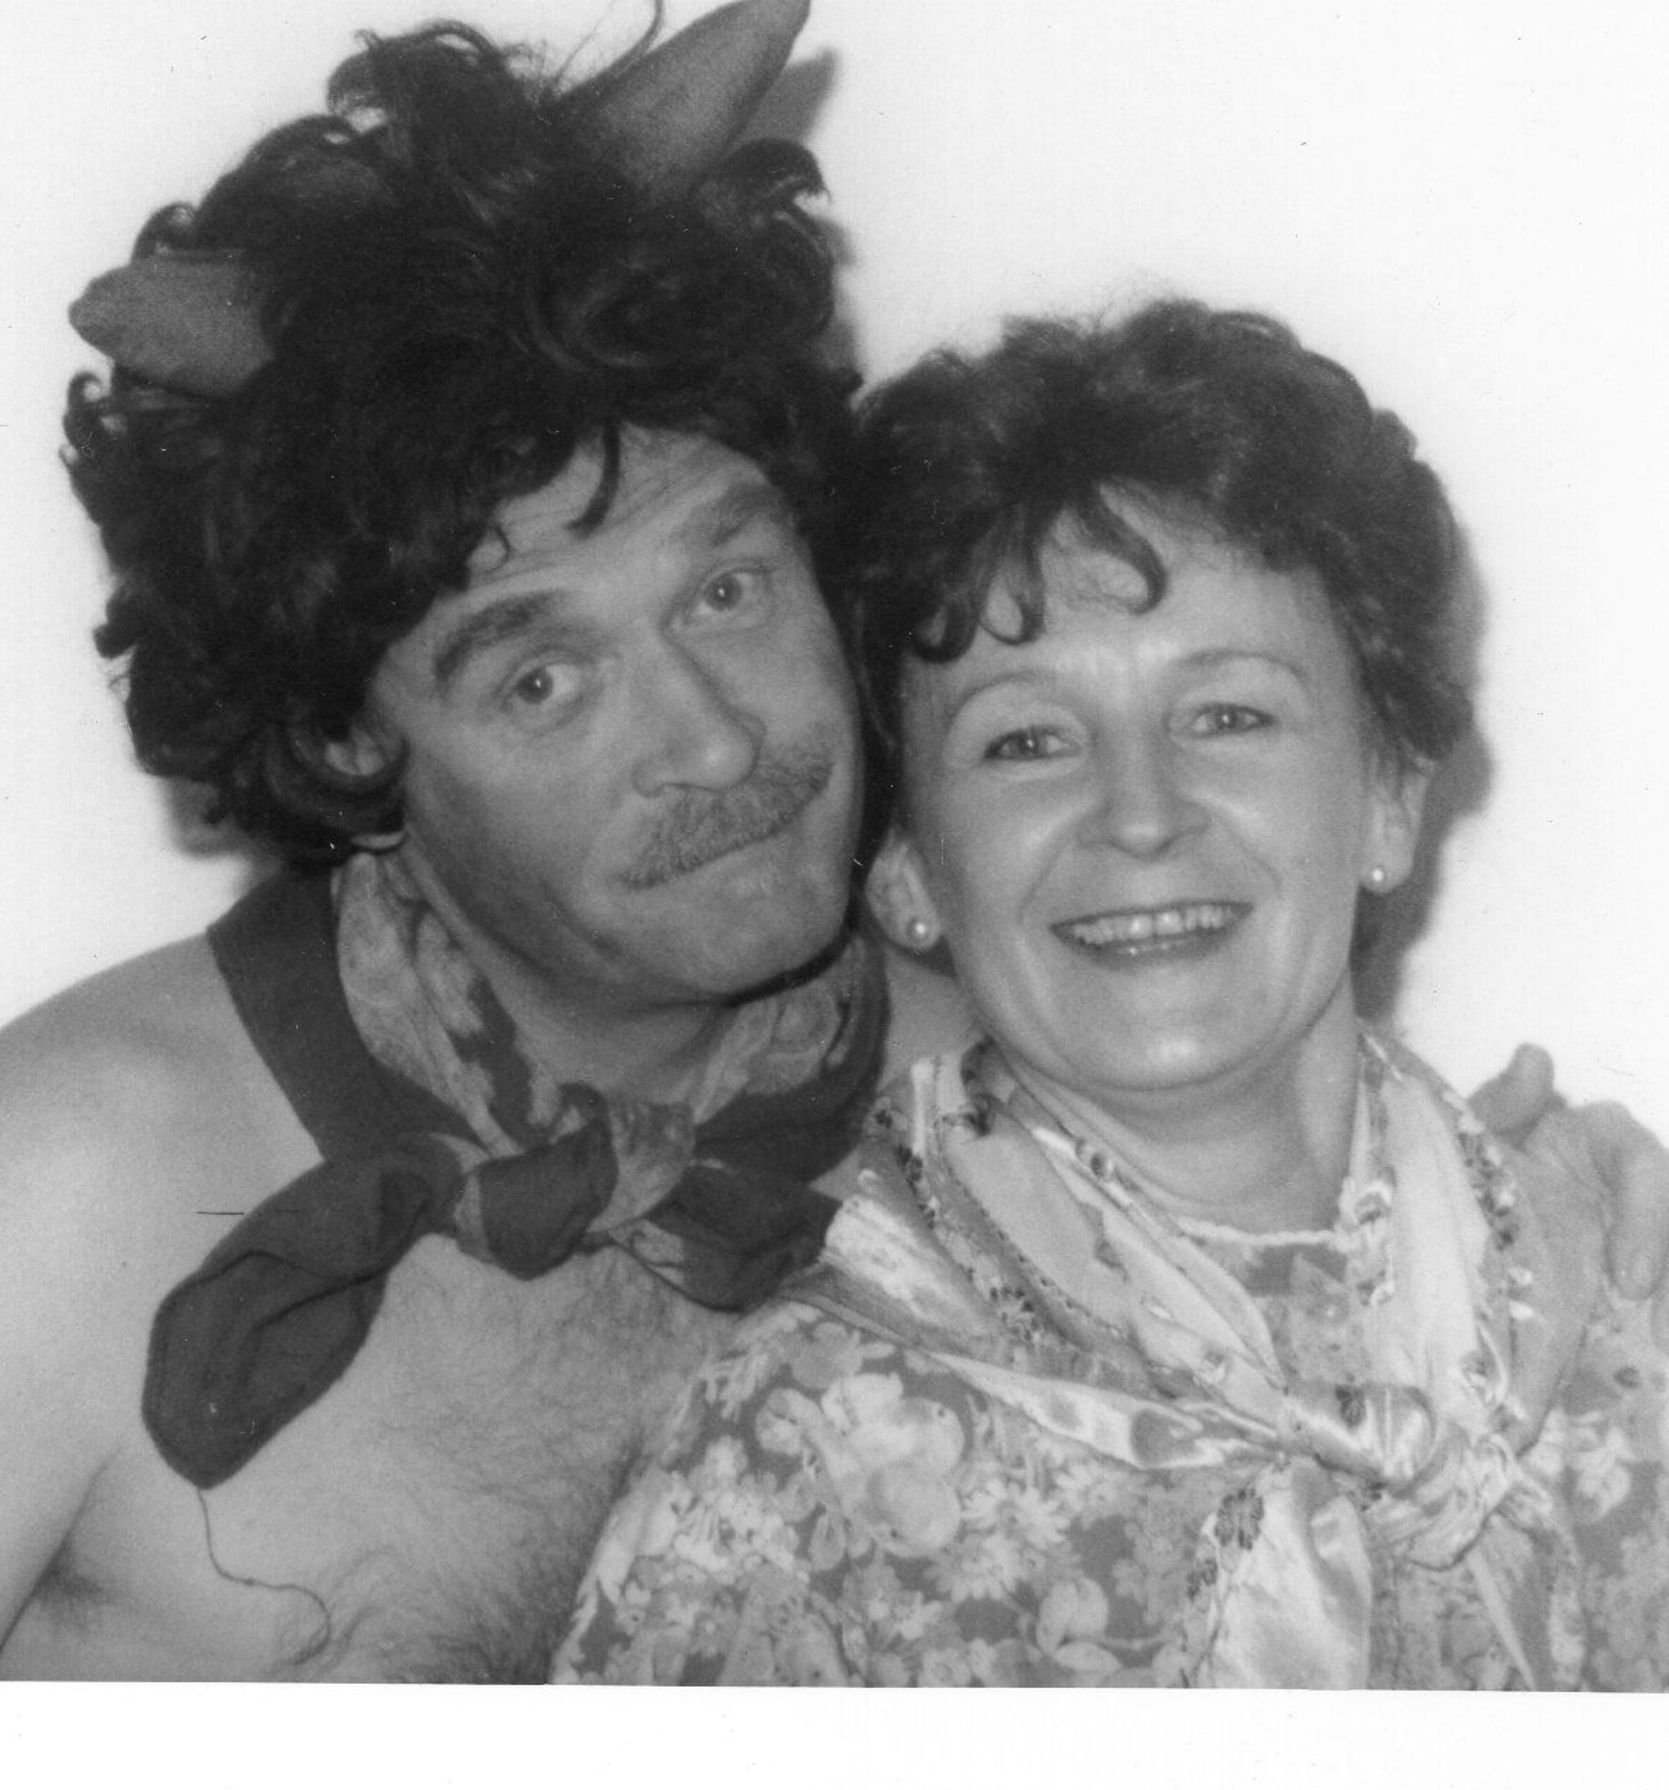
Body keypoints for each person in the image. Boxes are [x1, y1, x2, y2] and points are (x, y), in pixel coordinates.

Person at [0, 7, 1659, 1683]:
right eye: (542, 677)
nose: (716, 741)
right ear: (344, 735)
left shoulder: (1019, 1084)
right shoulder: (66, 1184)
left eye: (727, 589)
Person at [555, 301, 1669, 1688]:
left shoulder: (1624, 1293)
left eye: (1227, 716)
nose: (1139, 814)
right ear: (907, 867)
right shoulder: (788, 1467)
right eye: (1026, 741)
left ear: (1388, 795)